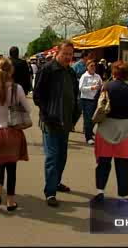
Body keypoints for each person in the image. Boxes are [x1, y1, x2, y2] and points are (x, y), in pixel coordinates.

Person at [33, 41, 79, 207]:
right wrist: (47, 115)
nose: (68, 57)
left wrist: (75, 115)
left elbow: (75, 94)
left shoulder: (71, 72)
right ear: (57, 53)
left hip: (65, 122)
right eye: (65, 53)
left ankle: (56, 182)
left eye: (70, 54)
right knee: (52, 157)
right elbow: (37, 96)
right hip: (50, 122)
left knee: (62, 156)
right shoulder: (47, 70)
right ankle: (50, 192)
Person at [0, 57, 30, 212]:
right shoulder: (18, 89)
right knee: (12, 167)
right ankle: (10, 201)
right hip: (14, 132)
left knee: (0, 163)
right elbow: (27, 109)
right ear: (11, 71)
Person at [92, 60, 128, 204]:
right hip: (125, 129)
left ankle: (100, 192)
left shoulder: (106, 87)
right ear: (126, 74)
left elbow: (98, 104)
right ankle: (122, 196)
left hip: (106, 127)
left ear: (113, 72)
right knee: (124, 165)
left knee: (103, 162)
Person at [79, 60, 103, 144]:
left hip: (95, 99)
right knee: (88, 119)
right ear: (87, 67)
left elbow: (101, 85)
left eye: (94, 66)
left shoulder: (98, 76)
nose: (93, 67)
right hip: (86, 99)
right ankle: (88, 137)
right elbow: (81, 88)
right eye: (91, 66)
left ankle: (89, 131)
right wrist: (91, 88)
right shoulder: (84, 76)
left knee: (94, 118)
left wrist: (100, 87)